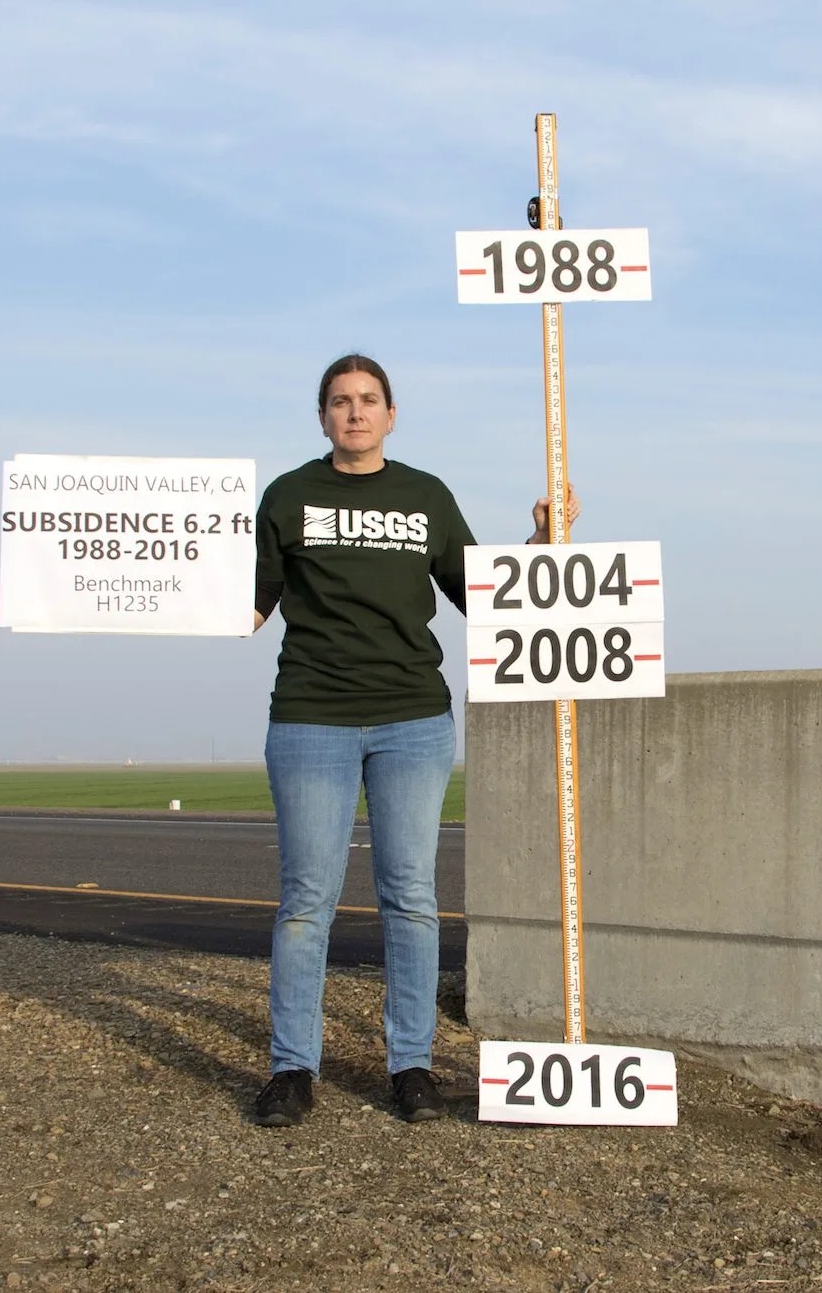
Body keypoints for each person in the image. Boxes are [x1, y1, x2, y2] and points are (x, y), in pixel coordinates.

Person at [249, 353, 577, 1126]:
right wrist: (162, 594)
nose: (355, 413)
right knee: (306, 902)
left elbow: (489, 599)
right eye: (339, 401)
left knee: (412, 898)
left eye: (368, 401)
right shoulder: (288, 497)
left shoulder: (424, 497)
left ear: (391, 415)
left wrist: (540, 539)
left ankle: (412, 1067)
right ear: (322, 415)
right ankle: (293, 1068)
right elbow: (250, 604)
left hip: (413, 721)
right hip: (310, 718)